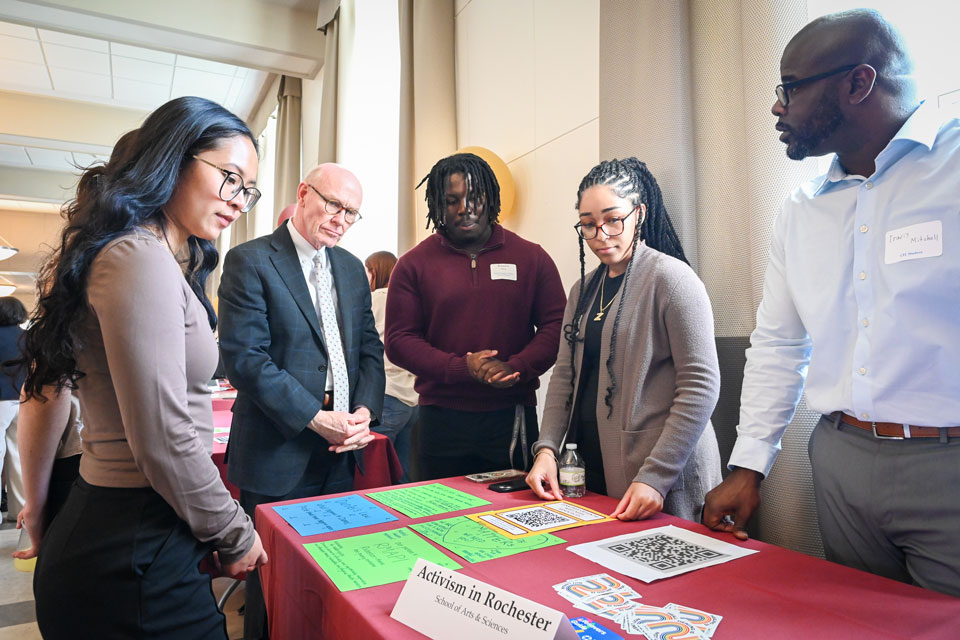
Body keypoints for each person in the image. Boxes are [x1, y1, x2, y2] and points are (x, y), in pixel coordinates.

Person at [703, 9, 960, 596]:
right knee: (858, 622)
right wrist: (748, 467)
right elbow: (779, 345)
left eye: (790, 88)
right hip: (841, 460)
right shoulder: (801, 208)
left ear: (857, 83)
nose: (777, 107)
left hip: (950, 466)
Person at [13, 96, 267, 638]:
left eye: (248, 189)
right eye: (230, 178)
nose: (239, 200)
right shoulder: (137, 257)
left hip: (143, 527)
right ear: (174, 157)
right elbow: (162, 435)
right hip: (126, 535)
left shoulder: (155, 256)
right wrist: (235, 533)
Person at [218, 163, 385, 639]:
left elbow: (369, 350)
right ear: (304, 193)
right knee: (273, 588)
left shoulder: (352, 270)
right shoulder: (251, 260)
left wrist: (363, 414)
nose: (340, 220)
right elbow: (245, 360)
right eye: (333, 205)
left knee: (332, 579)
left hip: (341, 450)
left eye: (352, 213)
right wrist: (315, 417)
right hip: (277, 449)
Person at [525, 158, 722, 521]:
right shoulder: (582, 290)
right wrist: (546, 451)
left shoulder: (673, 280)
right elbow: (564, 378)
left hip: (662, 478)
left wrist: (655, 476)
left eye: (613, 220)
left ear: (639, 214)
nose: (601, 235)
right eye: (588, 225)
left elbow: (700, 387)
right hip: (592, 472)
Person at [385, 153, 566, 479]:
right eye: (452, 200)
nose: (464, 208)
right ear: (437, 204)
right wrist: (461, 367)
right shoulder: (413, 265)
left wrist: (517, 367)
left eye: (475, 197)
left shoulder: (532, 258)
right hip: (439, 419)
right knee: (437, 518)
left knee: (515, 519)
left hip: (512, 416)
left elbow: (557, 326)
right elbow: (399, 340)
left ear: (491, 198)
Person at [365, 250, 417, 481]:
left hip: (385, 394)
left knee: (370, 470)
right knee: (403, 475)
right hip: (413, 398)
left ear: (374, 271)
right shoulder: (413, 300)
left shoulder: (375, 299)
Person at [0, 297, 27, 520]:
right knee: (18, 455)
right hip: (25, 400)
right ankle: (19, 510)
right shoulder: (28, 337)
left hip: (0, 402)